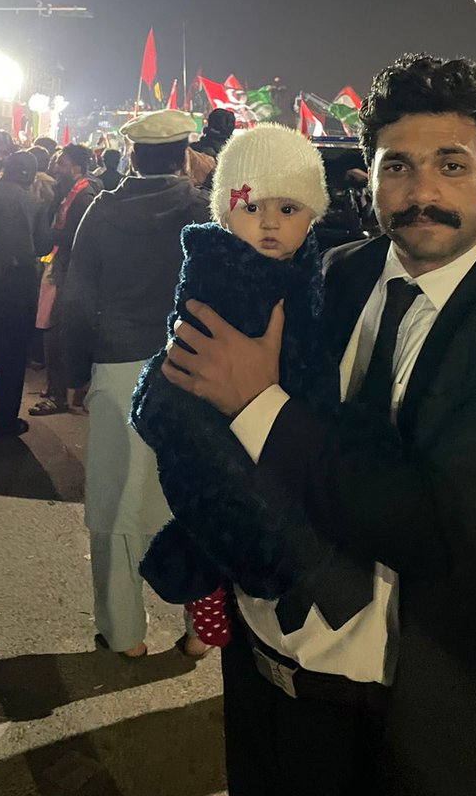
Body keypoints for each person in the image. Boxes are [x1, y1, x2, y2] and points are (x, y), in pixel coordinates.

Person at [162, 54, 476, 796]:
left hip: (412, 715)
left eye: (451, 165)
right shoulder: (334, 273)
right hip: (263, 671)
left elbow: (434, 525)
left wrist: (257, 404)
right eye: (396, 165)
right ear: (368, 178)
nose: (421, 192)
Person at [132, 124, 345, 652]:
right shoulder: (226, 273)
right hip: (217, 439)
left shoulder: (306, 272)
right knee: (227, 525)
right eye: (252, 209)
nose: (270, 222)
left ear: (312, 214)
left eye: (289, 209)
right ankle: (201, 589)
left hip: (272, 441)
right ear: (225, 214)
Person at [63, 109, 209, 657]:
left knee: (116, 498)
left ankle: (124, 633)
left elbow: (78, 297)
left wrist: (76, 375)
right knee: (193, 497)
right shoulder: (204, 208)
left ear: (132, 155)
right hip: (192, 370)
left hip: (118, 366)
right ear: (184, 154)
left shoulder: (101, 210)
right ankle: (200, 631)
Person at [0, 151, 52, 437]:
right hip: (17, 291)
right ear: (30, 174)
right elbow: (43, 246)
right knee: (11, 363)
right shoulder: (34, 203)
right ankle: (4, 422)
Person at [30, 143, 97, 416]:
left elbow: (76, 239)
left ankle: (59, 395)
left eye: (62, 163)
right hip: (61, 266)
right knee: (50, 327)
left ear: (77, 167)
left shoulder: (83, 196)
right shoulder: (71, 192)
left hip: (66, 270)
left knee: (55, 332)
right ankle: (56, 389)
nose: (57, 168)